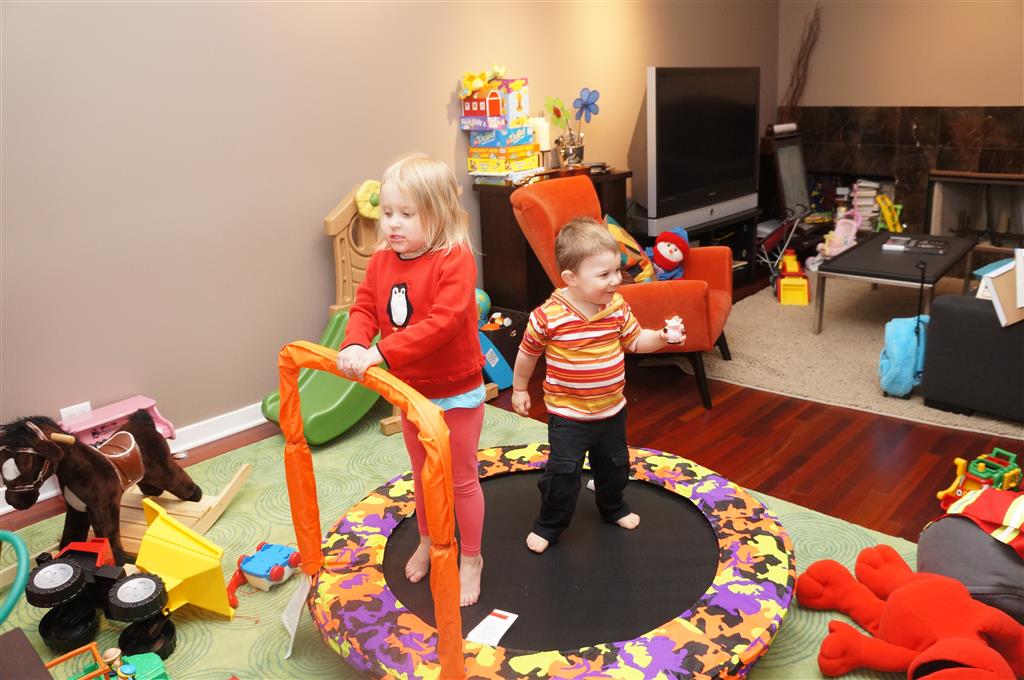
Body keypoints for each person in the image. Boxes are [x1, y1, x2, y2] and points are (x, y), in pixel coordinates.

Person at [336, 154, 486, 606]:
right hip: (410, 393)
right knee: (422, 475)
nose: (392, 224)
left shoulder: (454, 259)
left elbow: (443, 322)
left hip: (456, 390)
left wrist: (381, 352)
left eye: (406, 214)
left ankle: (472, 558)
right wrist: (354, 343)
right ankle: (427, 540)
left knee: (460, 478)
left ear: (437, 215)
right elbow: (365, 305)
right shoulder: (383, 258)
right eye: (387, 213)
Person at [510, 217, 683, 553]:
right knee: (563, 474)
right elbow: (528, 353)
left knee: (615, 466)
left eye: (617, 270)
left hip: (611, 410)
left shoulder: (616, 308)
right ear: (571, 279)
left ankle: (613, 506)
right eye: (604, 275)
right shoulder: (548, 316)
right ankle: (549, 524)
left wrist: (662, 337)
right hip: (568, 415)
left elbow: (636, 341)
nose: (616, 280)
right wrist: (519, 389)